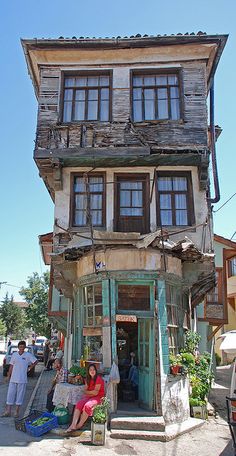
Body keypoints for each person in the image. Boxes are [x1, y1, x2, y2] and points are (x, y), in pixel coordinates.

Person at [1, 340, 38, 417]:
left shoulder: (28, 355)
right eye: (20, 346)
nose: (22, 348)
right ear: (18, 347)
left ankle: (16, 412)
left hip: (22, 379)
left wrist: (30, 368)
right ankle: (8, 411)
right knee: (10, 394)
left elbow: (35, 361)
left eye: (23, 347)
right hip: (13, 378)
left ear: (25, 347)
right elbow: (11, 366)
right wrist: (8, 376)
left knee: (20, 395)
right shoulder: (14, 355)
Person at [66, 364, 105, 432]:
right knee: (79, 404)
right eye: (90, 370)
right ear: (88, 371)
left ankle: (79, 425)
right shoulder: (87, 379)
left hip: (98, 398)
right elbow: (85, 391)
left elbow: (95, 393)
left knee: (87, 406)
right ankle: (73, 425)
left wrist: (88, 392)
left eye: (93, 370)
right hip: (89, 397)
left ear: (96, 371)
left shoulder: (98, 379)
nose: (92, 371)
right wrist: (90, 392)